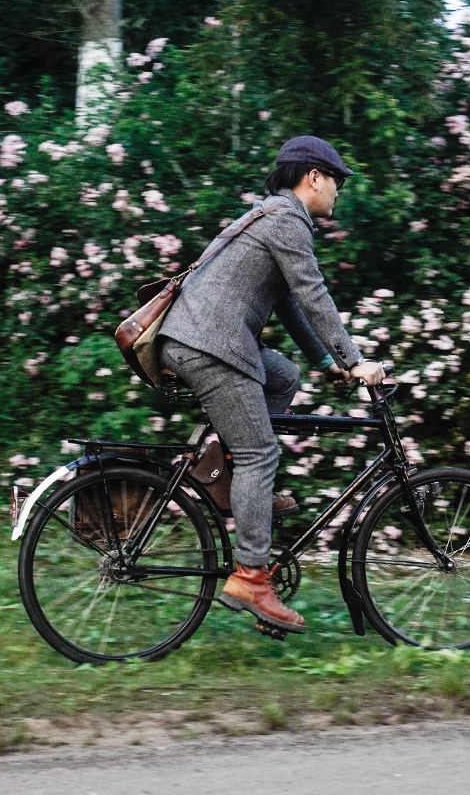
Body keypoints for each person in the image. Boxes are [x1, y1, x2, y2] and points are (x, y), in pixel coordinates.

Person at [158, 136, 385, 634]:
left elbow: (288, 302)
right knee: (260, 453)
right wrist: (354, 360)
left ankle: (235, 485)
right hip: (211, 346)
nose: (338, 193)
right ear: (314, 178)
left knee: (283, 376)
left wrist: (326, 360)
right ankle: (251, 579)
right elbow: (313, 294)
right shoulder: (287, 221)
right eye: (338, 182)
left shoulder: (272, 215)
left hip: (202, 339)